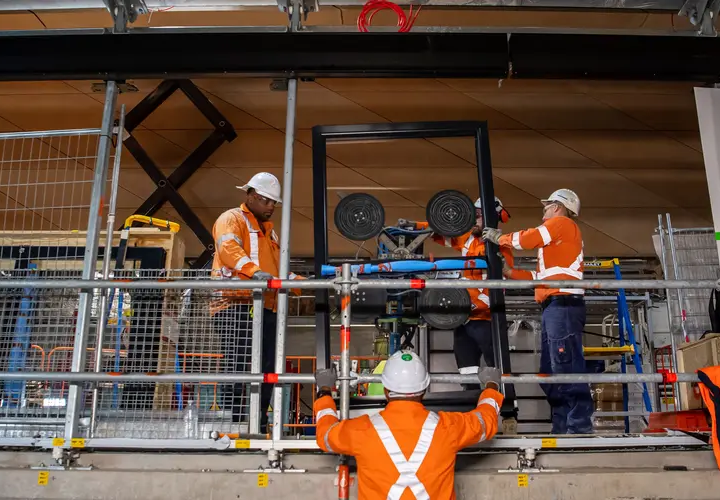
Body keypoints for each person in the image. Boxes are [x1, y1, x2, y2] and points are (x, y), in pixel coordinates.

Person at [313, 351, 503, 500]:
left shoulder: (363, 430)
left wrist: (324, 390)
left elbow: (326, 435)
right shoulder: (448, 428)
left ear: (386, 390)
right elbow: (485, 421)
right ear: (424, 388)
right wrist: (492, 385)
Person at [480, 188, 593, 435]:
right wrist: (510, 273)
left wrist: (501, 238)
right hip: (555, 306)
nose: (544, 208)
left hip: (563, 304)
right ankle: (563, 425)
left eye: (548, 204)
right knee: (550, 370)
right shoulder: (557, 242)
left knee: (565, 366)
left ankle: (578, 427)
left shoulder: (561, 223)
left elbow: (528, 239)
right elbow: (540, 277)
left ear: (558, 206)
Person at [211, 172, 303, 431]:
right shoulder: (232, 219)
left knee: (266, 366)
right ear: (250, 195)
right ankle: (234, 421)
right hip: (235, 303)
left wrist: (306, 283)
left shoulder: (269, 235)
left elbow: (276, 270)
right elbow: (229, 251)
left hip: (266, 306)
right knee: (240, 362)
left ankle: (257, 420)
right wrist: (254, 272)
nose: (271, 206)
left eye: (274, 202)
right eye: (266, 200)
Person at [398, 197, 515, 390]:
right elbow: (442, 230)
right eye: (473, 216)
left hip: (488, 319)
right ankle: (472, 408)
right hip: (465, 319)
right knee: (467, 371)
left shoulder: (500, 245)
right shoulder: (468, 238)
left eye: (478, 216)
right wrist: (415, 226)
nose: (473, 220)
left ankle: (509, 411)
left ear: (492, 218)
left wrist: (472, 302)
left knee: (499, 369)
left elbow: (499, 282)